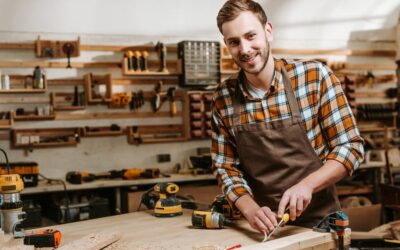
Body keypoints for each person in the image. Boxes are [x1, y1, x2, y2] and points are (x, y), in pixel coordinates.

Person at [211, 0, 365, 235]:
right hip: (259, 229)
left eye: (251, 36)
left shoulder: (314, 77)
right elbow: (225, 167)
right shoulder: (224, 96)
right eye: (234, 42)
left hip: (319, 226)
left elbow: (351, 147)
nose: (244, 49)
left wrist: (307, 185)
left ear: (268, 31)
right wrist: (251, 210)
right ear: (226, 44)